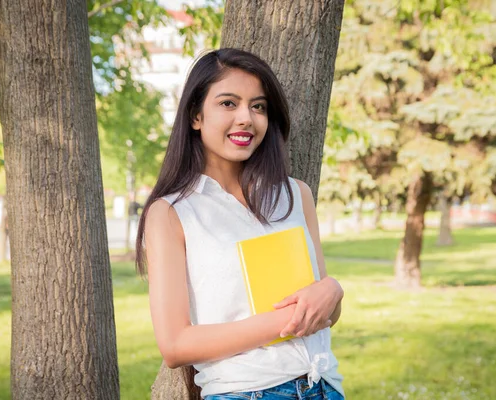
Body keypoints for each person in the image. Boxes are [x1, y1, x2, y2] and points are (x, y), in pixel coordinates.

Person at [136, 49, 345, 400]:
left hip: (323, 385)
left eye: (258, 106)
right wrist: (288, 321)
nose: (246, 118)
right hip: (245, 392)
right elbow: (174, 345)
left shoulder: (296, 195)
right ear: (196, 116)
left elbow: (325, 314)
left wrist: (333, 291)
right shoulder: (172, 213)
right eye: (229, 104)